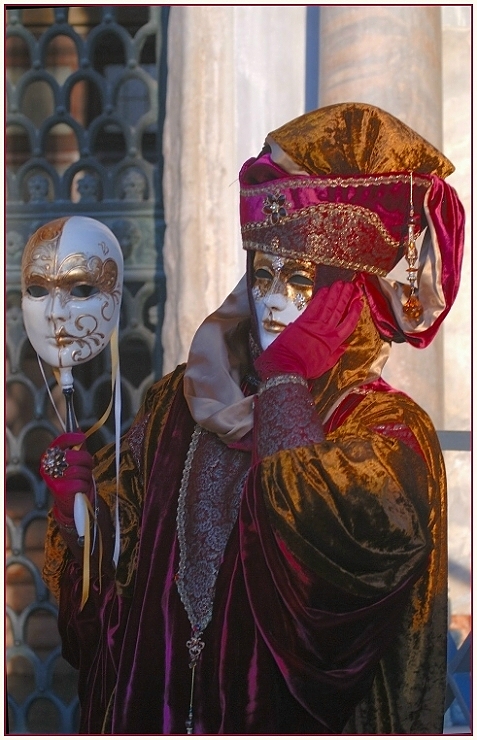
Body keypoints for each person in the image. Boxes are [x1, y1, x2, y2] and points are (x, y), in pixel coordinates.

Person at [37, 102, 465, 734]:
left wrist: (289, 382)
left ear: (348, 297)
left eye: (301, 281)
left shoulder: (383, 432)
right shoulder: (174, 408)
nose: (272, 301)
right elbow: (113, 620)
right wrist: (79, 522)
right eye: (262, 275)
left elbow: (327, 617)